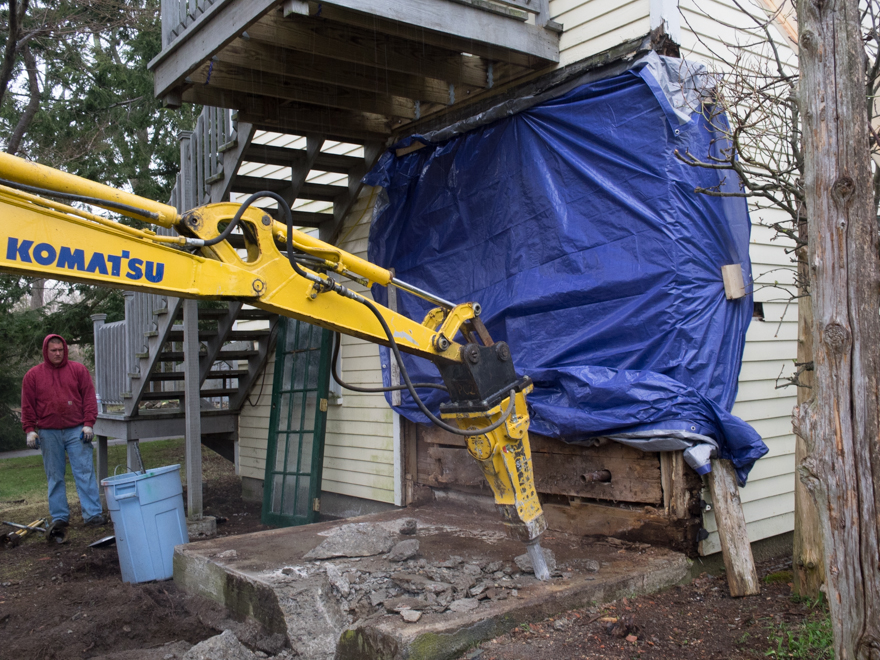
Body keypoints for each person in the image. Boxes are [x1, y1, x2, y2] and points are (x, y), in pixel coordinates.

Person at [21, 334, 107, 535]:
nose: (58, 353)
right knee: (55, 476)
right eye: (53, 350)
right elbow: (27, 406)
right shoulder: (33, 376)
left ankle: (92, 514)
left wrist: (88, 424)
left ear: (65, 349)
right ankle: (60, 517)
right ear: (46, 351)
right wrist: (30, 430)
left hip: (76, 430)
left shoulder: (78, 370)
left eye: (60, 349)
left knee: (84, 472)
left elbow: (88, 398)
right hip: (48, 433)